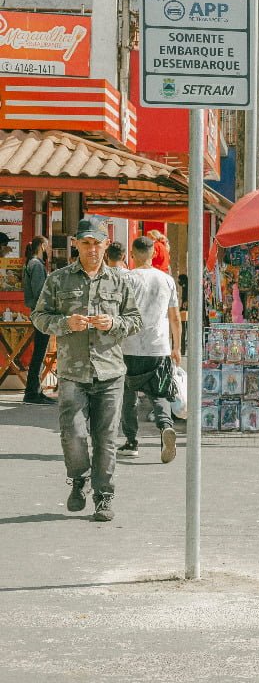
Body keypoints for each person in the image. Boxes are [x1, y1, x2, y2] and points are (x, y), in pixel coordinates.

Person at [32, 217, 141, 521]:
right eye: (86, 243)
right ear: (76, 244)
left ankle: (104, 497)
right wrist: (64, 324)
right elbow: (39, 317)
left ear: (106, 244)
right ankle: (78, 480)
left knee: (106, 438)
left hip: (110, 372)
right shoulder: (58, 280)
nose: (92, 249)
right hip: (72, 373)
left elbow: (135, 321)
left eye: (97, 243)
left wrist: (114, 324)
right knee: (74, 435)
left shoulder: (121, 281)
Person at [118, 236, 181, 464]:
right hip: (159, 346)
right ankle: (165, 426)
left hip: (130, 346)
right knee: (160, 393)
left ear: (132, 255)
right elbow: (174, 317)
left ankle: (131, 442)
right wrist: (177, 347)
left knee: (128, 395)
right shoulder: (167, 280)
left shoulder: (126, 279)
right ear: (154, 253)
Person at [21, 236, 56, 405]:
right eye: (47, 246)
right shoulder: (36, 265)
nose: (49, 250)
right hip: (41, 313)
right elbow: (40, 292)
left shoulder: (32, 264)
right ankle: (32, 392)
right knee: (39, 354)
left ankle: (35, 390)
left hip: (37, 312)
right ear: (42, 246)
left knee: (39, 353)